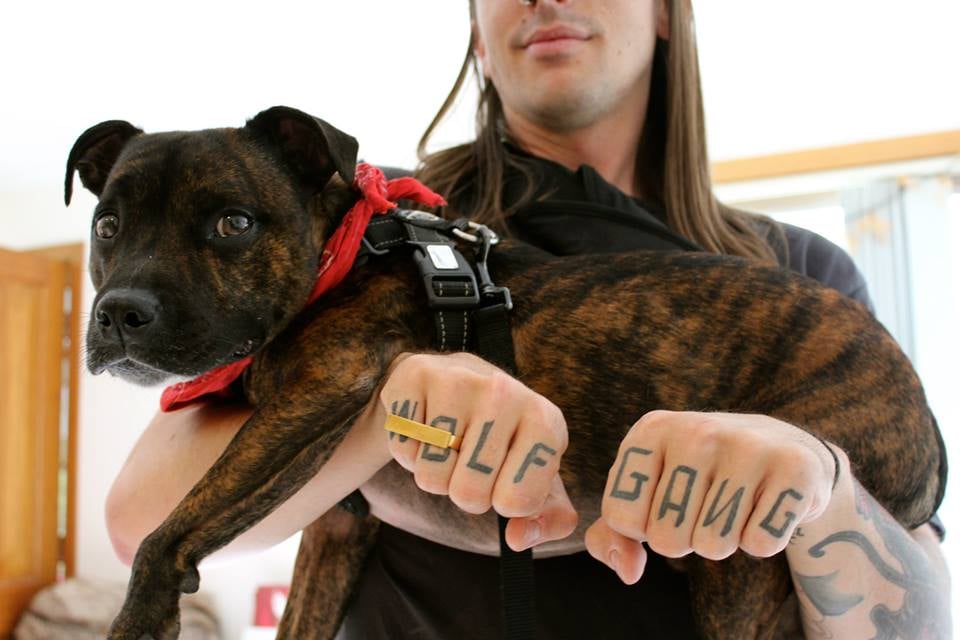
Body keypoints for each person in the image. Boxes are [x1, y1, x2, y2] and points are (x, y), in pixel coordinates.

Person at [107, 0, 951, 638]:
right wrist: (382, 402)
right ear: (477, 30)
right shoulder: (365, 230)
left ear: (665, 11)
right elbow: (137, 518)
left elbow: (924, 611)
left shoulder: (801, 282)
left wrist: (823, 489)